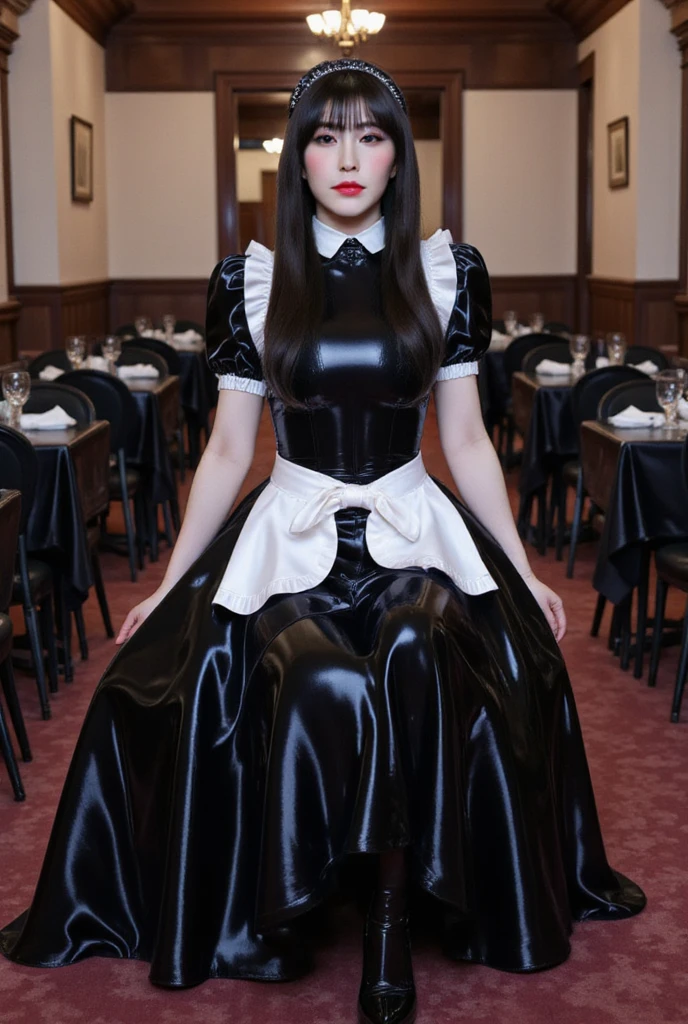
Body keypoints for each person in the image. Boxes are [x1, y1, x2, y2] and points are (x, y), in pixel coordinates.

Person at [0, 60, 645, 1024]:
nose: (348, 158)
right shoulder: (252, 280)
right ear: (297, 157)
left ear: (398, 156)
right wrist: (169, 583)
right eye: (325, 136)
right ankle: (285, 909)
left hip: (414, 526)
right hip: (289, 531)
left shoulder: (445, 270)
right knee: (311, 674)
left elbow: (465, 439)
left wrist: (520, 564)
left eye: (371, 135)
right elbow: (225, 450)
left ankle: (391, 922)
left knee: (420, 649)